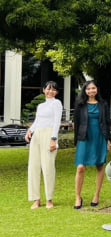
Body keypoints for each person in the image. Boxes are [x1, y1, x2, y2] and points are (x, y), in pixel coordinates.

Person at [73, 80, 111, 209]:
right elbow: (77, 124)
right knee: (80, 168)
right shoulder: (80, 105)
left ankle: (97, 195)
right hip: (84, 137)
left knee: (100, 166)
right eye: (88, 89)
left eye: (93, 88)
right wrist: (76, 141)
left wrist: (109, 139)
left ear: (97, 90)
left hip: (100, 137)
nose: (91, 91)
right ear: (85, 90)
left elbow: (107, 122)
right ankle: (78, 196)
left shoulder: (103, 104)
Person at [25, 81, 63, 209]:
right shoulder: (40, 106)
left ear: (56, 92)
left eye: (53, 89)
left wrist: (54, 139)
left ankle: (49, 199)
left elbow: (57, 122)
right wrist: (29, 131)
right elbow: (37, 121)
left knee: (48, 167)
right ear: (44, 90)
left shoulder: (56, 103)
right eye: (48, 89)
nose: (50, 91)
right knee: (33, 167)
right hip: (37, 136)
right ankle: (36, 199)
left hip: (49, 135)